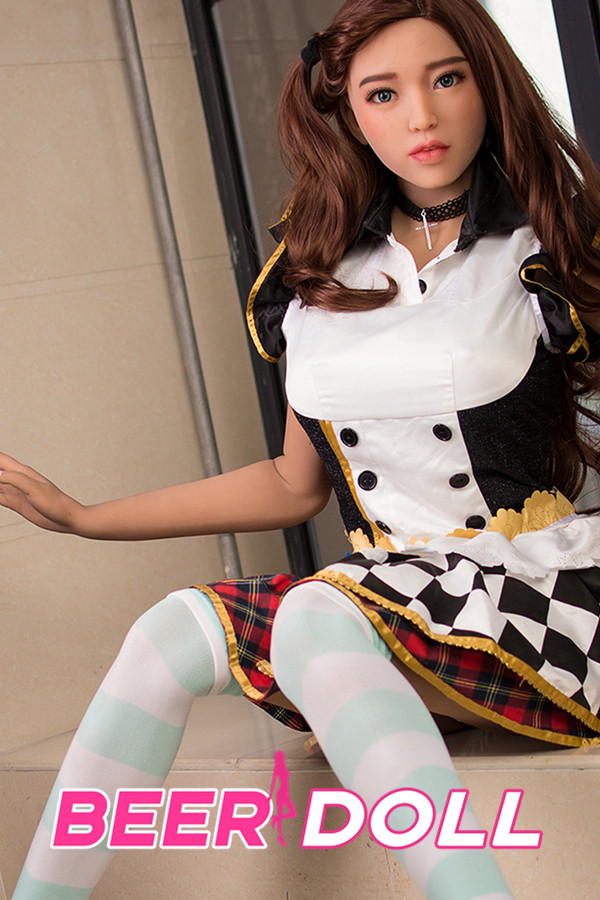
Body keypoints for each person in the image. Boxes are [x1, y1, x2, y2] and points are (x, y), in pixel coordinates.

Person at [4, 0, 600, 897]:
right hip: (386, 603)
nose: (422, 116)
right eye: (383, 93)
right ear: (348, 114)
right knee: (171, 632)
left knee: (316, 615)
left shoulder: (546, 250)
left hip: (536, 603)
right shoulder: (315, 274)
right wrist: (84, 518)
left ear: (489, 83)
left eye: (447, 78)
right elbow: (294, 483)